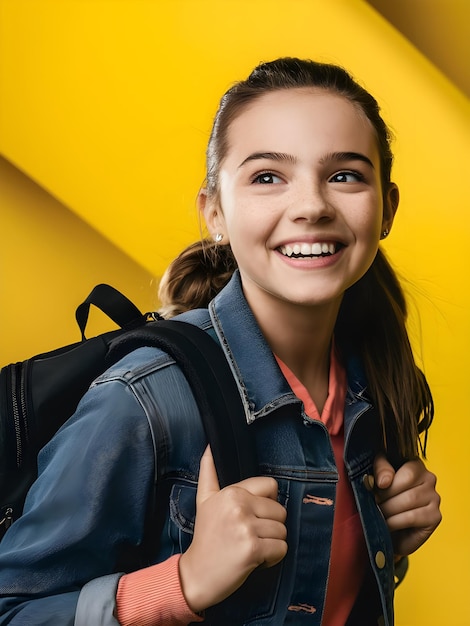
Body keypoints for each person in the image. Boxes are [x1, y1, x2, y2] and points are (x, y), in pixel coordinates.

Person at [0, 57, 441, 625]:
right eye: (267, 177)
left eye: (345, 175)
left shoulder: (375, 383)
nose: (312, 206)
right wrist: (183, 581)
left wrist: (385, 539)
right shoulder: (145, 399)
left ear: (387, 208)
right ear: (215, 214)